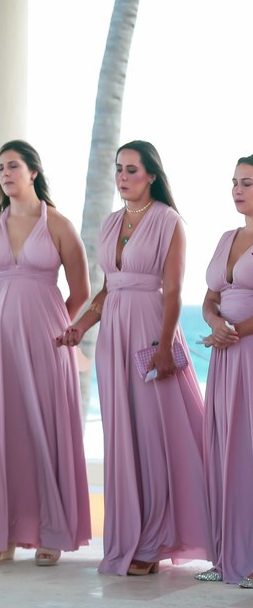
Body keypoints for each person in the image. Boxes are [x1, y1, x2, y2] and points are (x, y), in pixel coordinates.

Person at [57, 140, 209, 576]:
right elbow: (109, 288)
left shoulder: (169, 222)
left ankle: (157, 540)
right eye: (119, 170)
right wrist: (80, 328)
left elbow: (175, 291)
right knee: (122, 435)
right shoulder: (110, 224)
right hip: (113, 339)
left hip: (149, 329)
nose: (123, 177)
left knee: (155, 434)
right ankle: (133, 535)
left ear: (152, 176)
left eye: (132, 170)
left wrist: (164, 347)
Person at [0, 140, 91, 565]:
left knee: (44, 427)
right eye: (0, 168)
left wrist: (55, 326)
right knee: (0, 428)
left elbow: (80, 292)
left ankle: (51, 531)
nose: (5, 174)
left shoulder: (59, 225)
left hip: (47, 338)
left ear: (33, 173)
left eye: (13, 166)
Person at [194, 156, 253, 586]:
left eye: (247, 182)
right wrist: (217, 325)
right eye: (234, 182)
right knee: (224, 451)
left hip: (247, 351)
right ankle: (227, 555)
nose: (237, 189)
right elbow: (210, 297)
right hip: (226, 355)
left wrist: (236, 332)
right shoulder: (226, 236)